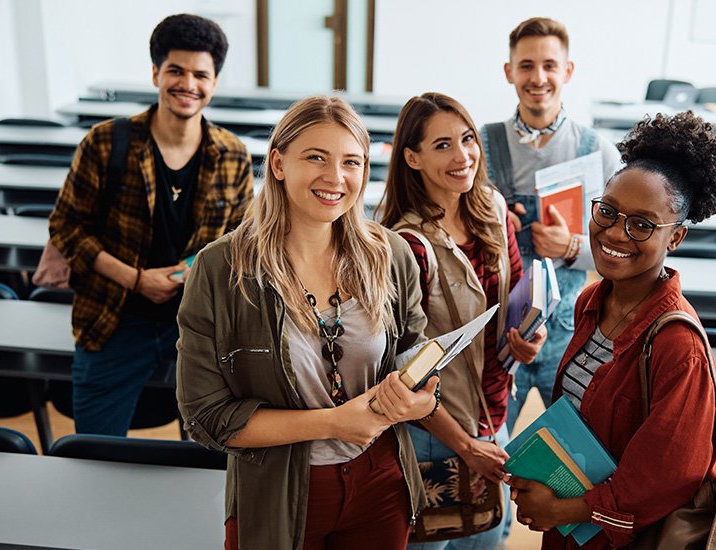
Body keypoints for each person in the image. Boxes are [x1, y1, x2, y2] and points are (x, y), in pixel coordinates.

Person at [176, 96, 439, 550]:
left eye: (351, 161)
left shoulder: (391, 255)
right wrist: (333, 423)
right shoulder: (221, 268)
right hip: (277, 489)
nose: (335, 177)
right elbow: (205, 417)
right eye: (316, 157)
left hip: (380, 483)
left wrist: (418, 404)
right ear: (278, 162)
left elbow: (420, 366)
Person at [507, 111, 716, 549]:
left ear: (675, 239)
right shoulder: (592, 302)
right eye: (608, 212)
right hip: (575, 529)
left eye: (642, 224)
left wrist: (564, 510)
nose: (615, 232)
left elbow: (666, 477)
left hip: (625, 536)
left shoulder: (678, 345)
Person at [47, 14, 253, 435]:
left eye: (201, 74)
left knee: (213, 453)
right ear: (156, 72)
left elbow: (239, 241)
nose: (188, 84)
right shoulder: (106, 142)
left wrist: (189, 271)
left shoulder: (232, 155)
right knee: (94, 448)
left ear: (214, 82)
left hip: (201, 324)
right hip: (114, 318)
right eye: (176, 71)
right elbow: (66, 226)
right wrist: (135, 279)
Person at [380, 92, 546, 549]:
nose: (462, 155)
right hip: (435, 430)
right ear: (411, 157)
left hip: (493, 414)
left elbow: (513, 297)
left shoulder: (492, 208)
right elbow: (401, 372)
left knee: (491, 536)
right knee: (431, 542)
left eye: (468, 139)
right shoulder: (406, 245)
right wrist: (465, 445)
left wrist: (528, 337)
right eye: (442, 145)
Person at [481, 16, 621, 434]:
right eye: (526, 66)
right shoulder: (481, 145)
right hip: (500, 330)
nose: (537, 77)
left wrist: (571, 247)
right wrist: (494, 225)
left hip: (572, 332)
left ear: (567, 71)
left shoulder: (599, 152)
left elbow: (623, 249)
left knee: (577, 447)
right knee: (494, 444)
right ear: (509, 72)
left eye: (548, 65)